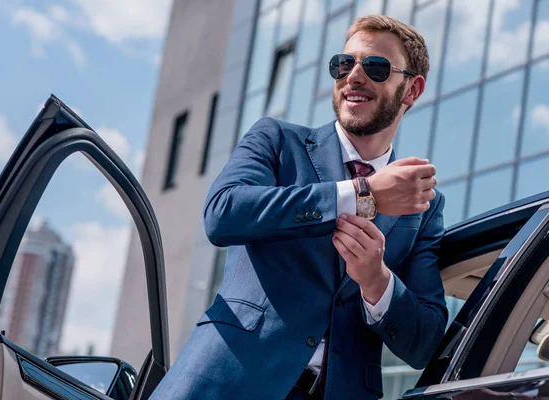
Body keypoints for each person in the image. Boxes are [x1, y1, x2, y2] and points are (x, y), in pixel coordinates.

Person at [151, 14, 447, 400]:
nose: (353, 76)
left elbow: (424, 343)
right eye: (343, 64)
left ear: (411, 90)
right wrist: (362, 193)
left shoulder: (424, 205)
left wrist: (377, 281)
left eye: (375, 66)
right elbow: (223, 213)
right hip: (225, 384)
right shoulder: (276, 140)